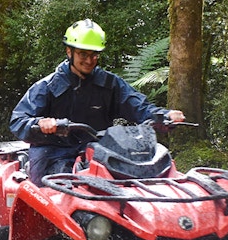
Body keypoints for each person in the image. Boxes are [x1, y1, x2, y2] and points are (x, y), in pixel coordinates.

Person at [10, 19, 185, 186]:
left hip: (98, 151)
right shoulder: (48, 86)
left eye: (94, 54)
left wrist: (164, 116)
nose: (89, 60)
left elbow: (139, 107)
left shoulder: (110, 84)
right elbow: (18, 121)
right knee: (47, 191)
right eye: (83, 54)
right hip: (54, 151)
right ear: (69, 52)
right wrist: (40, 123)